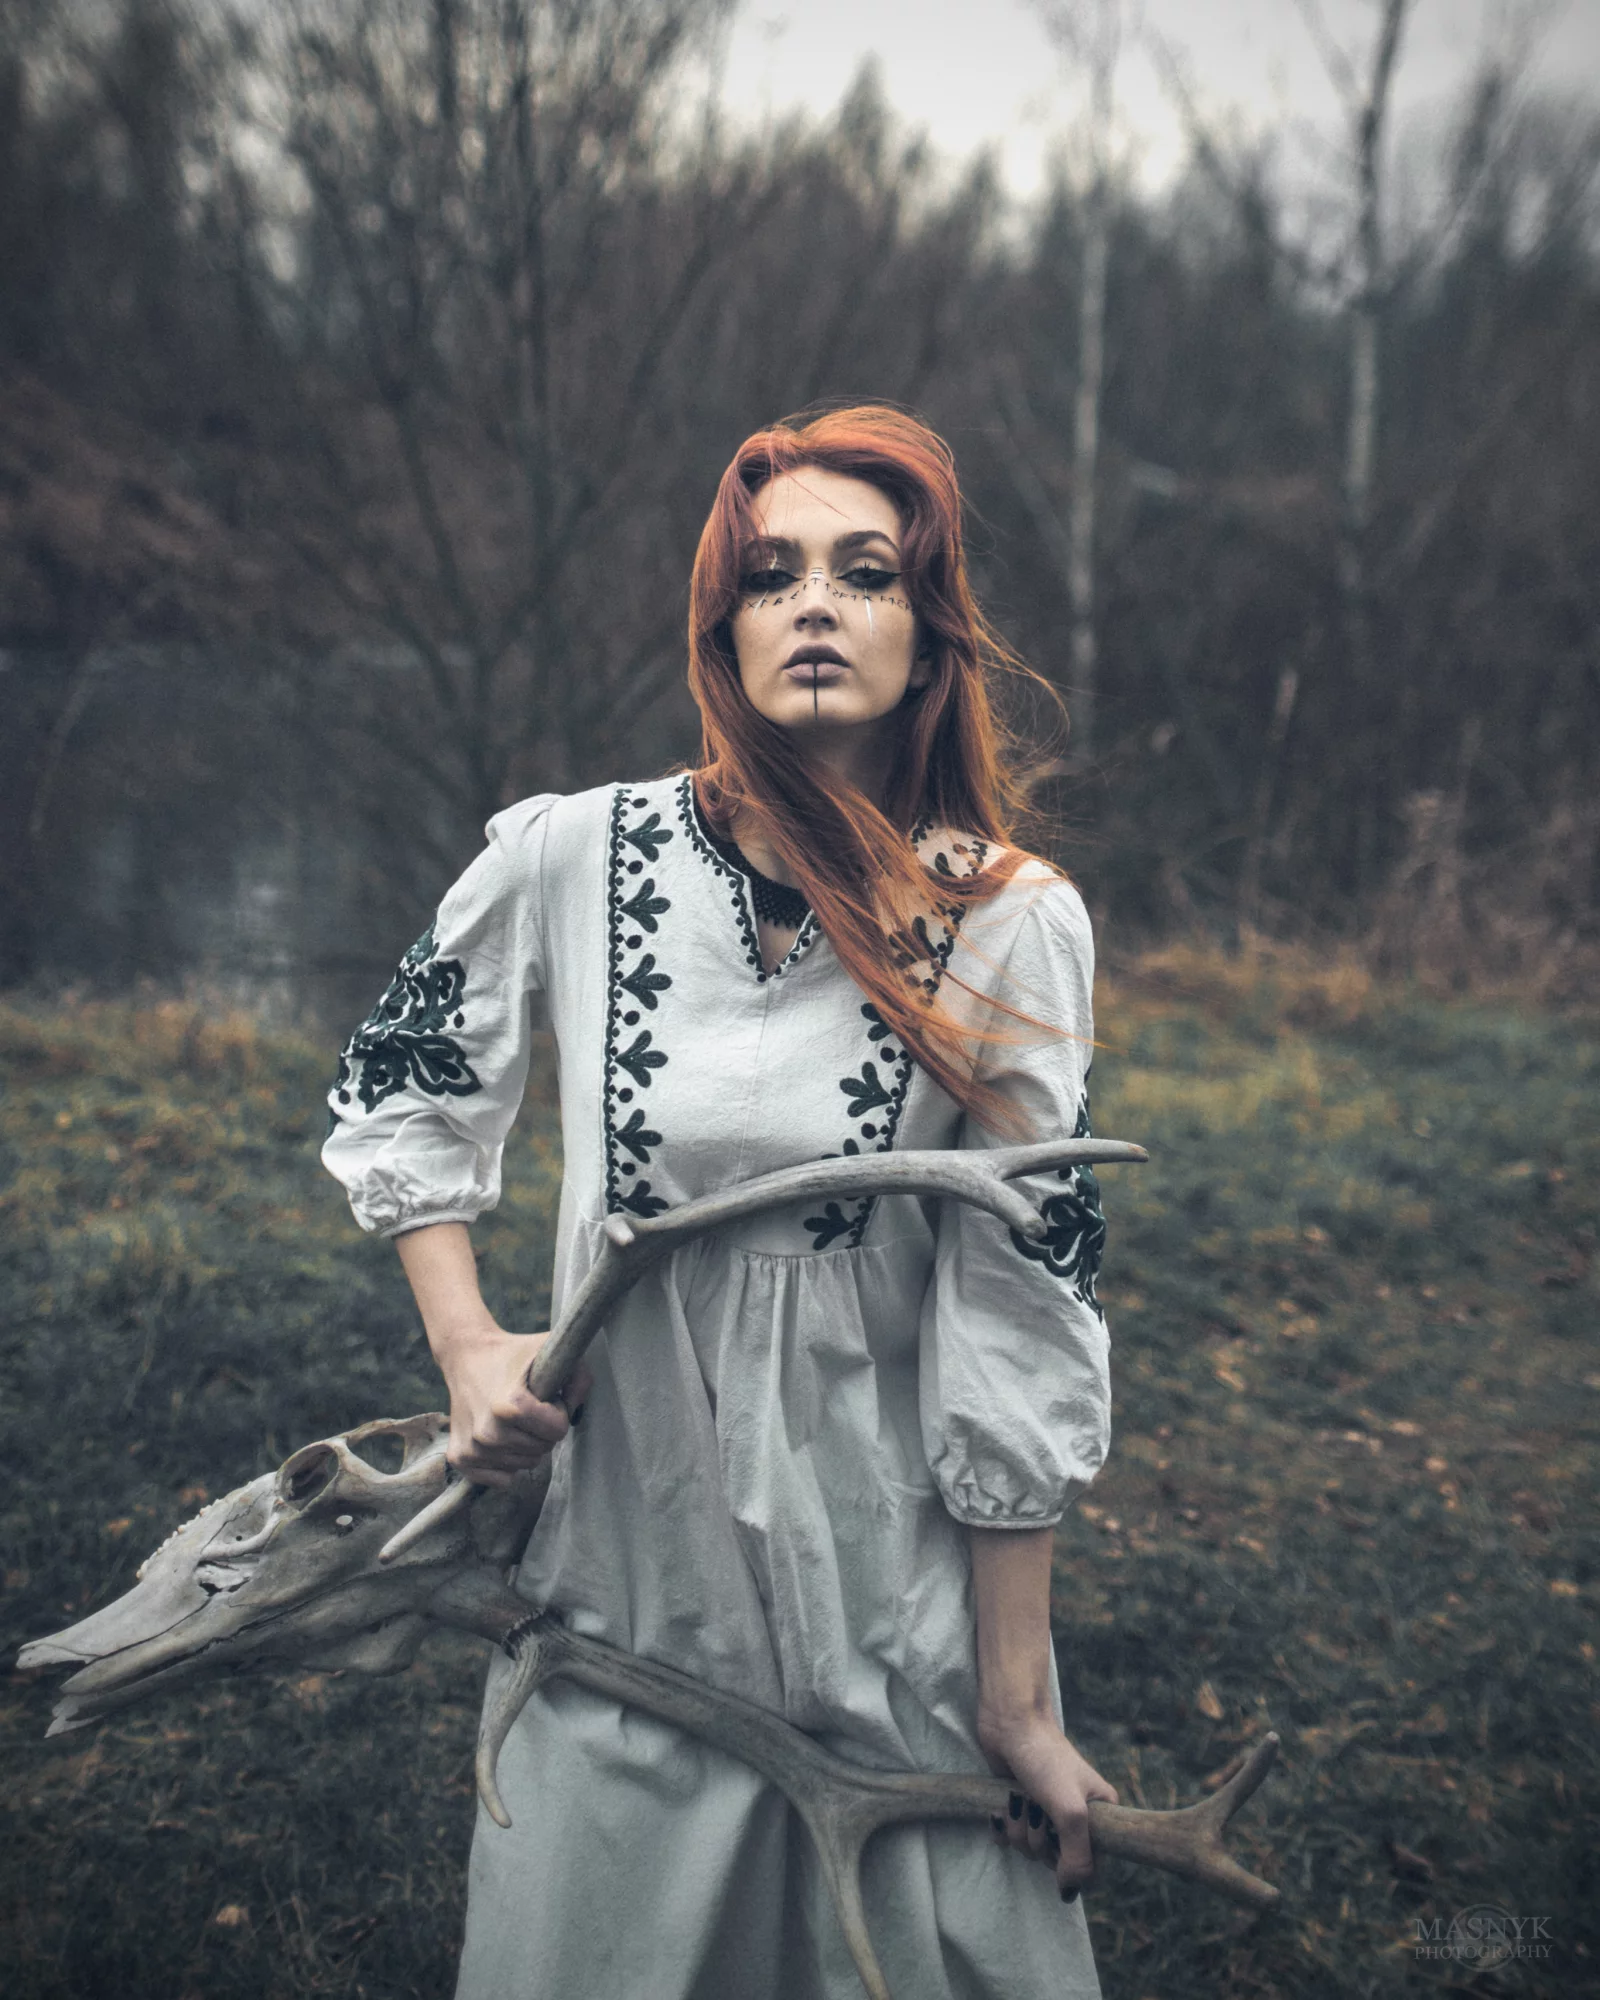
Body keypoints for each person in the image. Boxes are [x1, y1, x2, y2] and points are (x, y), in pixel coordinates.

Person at [323, 405, 1120, 1999]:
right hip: (624, 1558)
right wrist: (472, 1348)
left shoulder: (1008, 918)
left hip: (877, 1579)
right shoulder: (573, 851)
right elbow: (404, 1079)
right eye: (772, 576)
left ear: (927, 628)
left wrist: (1015, 1700)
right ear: (725, 626)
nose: (815, 604)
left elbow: (1024, 1300)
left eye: (865, 572)